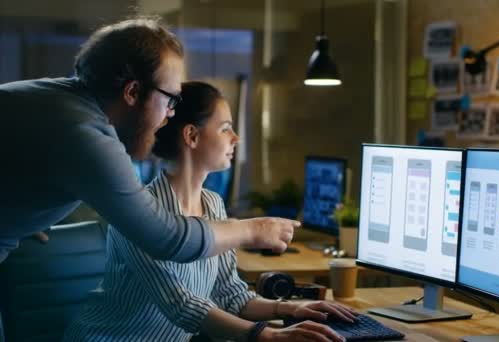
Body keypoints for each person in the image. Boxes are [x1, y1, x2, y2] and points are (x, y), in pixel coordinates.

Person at [62, 81, 355, 342]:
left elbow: (231, 295)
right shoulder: (138, 212)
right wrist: (267, 335)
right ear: (191, 136)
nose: (236, 138)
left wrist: (294, 309)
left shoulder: (213, 204)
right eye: (226, 128)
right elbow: (181, 305)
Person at [0, 17, 298, 264]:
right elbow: (168, 239)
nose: (171, 113)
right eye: (170, 99)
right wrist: (254, 229)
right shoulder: (84, 135)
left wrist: (24, 219)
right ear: (132, 92)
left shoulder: (55, 100)